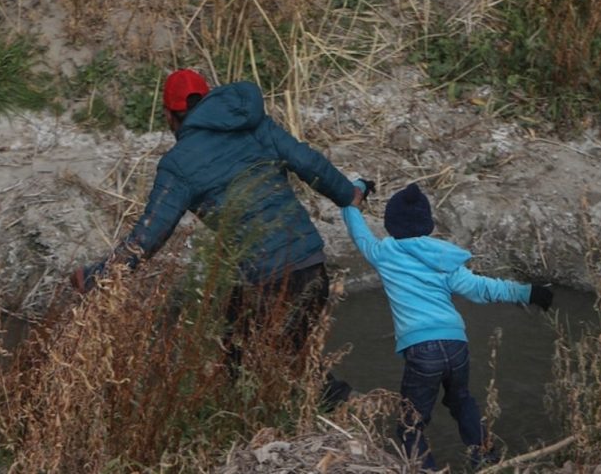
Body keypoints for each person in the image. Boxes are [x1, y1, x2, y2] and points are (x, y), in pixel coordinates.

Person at [70, 68, 362, 404]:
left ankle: (341, 409)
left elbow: (149, 236)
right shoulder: (255, 126)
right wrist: (347, 194)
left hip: (270, 282)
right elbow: (308, 162)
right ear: (208, 98)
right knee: (249, 349)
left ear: (169, 115)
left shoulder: (178, 165)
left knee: (277, 362)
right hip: (311, 265)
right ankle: (265, 416)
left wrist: (97, 276)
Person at [342, 181, 553, 471]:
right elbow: (482, 288)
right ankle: (486, 459)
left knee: (410, 425)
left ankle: (426, 469)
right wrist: (528, 292)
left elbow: (358, 233)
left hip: (421, 351)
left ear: (391, 225)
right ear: (427, 225)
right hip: (456, 344)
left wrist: (354, 194)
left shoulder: (383, 254)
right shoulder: (444, 259)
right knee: (462, 400)